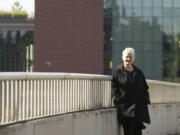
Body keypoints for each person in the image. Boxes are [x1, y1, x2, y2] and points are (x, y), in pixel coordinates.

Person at [112, 47, 151, 135]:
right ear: (122, 57)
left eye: (131, 57)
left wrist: (145, 100)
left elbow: (145, 88)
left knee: (138, 133)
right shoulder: (117, 72)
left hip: (138, 110)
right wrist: (117, 102)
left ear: (133, 58)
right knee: (128, 132)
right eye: (127, 56)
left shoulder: (139, 72)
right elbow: (114, 88)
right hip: (125, 110)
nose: (128, 59)